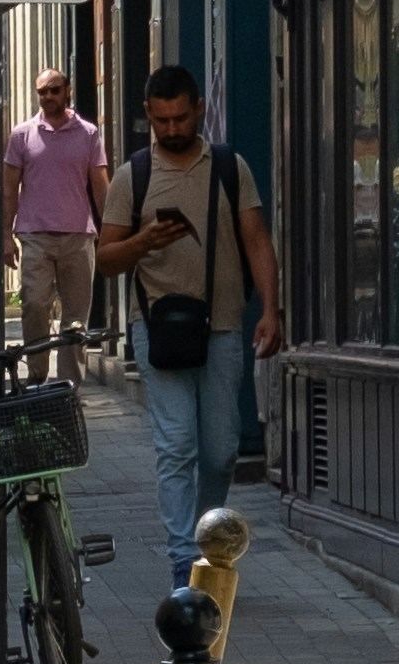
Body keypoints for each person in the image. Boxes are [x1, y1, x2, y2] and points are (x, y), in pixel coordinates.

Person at [96, 65, 288, 589]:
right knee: (176, 444)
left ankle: (207, 539)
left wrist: (271, 310)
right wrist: (143, 242)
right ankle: (186, 559)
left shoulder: (229, 167)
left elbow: (257, 241)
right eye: (161, 121)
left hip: (223, 325)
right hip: (158, 329)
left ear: (199, 108)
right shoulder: (132, 175)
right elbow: (106, 258)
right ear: (148, 117)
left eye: (181, 117)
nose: (172, 128)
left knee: (222, 447)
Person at [2, 67, 111, 377]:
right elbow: (9, 190)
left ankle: (69, 387)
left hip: (78, 235)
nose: (48, 97)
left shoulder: (88, 133)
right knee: (34, 305)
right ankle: (37, 379)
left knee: (76, 319)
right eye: (42, 92)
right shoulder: (23, 134)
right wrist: (6, 236)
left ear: (68, 90)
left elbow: (101, 186)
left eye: (54, 90)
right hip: (35, 235)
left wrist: (114, 231)